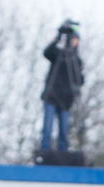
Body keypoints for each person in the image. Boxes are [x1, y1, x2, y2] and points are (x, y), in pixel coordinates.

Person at [39, 21, 83, 151]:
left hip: (66, 101)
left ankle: (63, 154)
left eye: (77, 39)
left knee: (64, 132)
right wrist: (58, 37)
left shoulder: (76, 60)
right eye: (73, 39)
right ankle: (44, 152)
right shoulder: (58, 54)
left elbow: (79, 79)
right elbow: (47, 53)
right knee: (47, 129)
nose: (75, 42)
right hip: (52, 97)